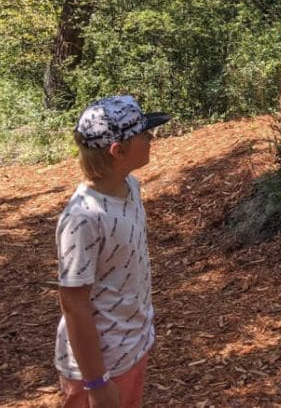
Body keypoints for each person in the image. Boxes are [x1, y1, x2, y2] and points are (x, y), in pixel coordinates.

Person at [55, 94, 171, 408]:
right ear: (117, 151)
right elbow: (74, 305)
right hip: (98, 368)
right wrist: (96, 383)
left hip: (131, 346)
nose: (151, 139)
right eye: (145, 135)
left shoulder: (130, 186)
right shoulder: (83, 218)